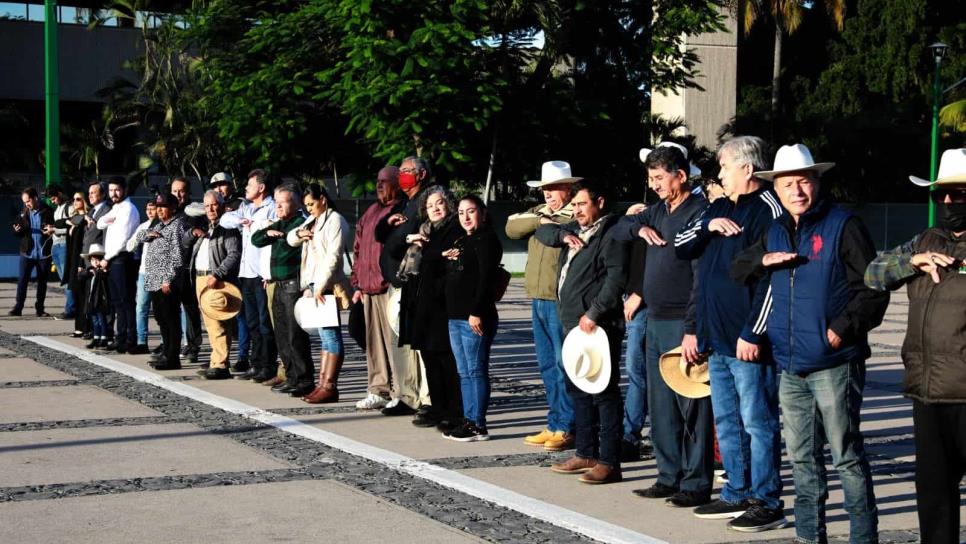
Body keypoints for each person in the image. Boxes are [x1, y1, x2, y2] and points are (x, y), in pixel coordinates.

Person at [733, 143, 888, 544]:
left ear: (817, 182)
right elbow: (737, 267)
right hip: (790, 366)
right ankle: (808, 537)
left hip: (835, 362)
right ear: (777, 189)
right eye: (787, 185)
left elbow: (874, 287)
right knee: (802, 461)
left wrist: (841, 329)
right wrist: (762, 261)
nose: (796, 191)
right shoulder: (775, 229)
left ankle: (862, 538)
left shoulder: (843, 224)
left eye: (804, 182)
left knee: (846, 457)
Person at [673, 136, 786, 531]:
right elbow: (681, 245)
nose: (719, 175)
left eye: (724, 167)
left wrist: (754, 332)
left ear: (748, 169)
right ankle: (735, 490)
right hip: (716, 337)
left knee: (758, 420)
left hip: (746, 339)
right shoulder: (718, 206)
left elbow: (773, 278)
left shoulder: (770, 209)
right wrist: (706, 224)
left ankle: (766, 498)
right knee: (727, 420)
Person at [864, 148, 966, 544]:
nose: (946, 202)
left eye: (957, 194)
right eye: (939, 195)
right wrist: (913, 262)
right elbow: (873, 273)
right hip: (928, 392)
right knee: (934, 498)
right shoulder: (924, 240)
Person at [615, 145, 713, 507]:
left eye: (660, 178)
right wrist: (640, 228)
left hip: (682, 323)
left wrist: (692, 327)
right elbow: (620, 227)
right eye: (651, 178)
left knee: (692, 405)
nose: (654, 185)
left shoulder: (699, 213)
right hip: (654, 319)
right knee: (660, 406)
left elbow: (701, 276)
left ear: (681, 176)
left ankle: (696, 481)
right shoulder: (657, 211)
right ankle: (667, 475)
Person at [537, 180, 630, 484]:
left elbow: (615, 280)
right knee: (578, 388)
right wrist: (563, 233)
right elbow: (543, 230)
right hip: (572, 324)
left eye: (582, 205)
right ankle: (585, 451)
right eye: (573, 205)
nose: (576, 211)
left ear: (600, 202)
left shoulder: (611, 233)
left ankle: (609, 461)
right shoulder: (576, 230)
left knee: (603, 391)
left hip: (597, 325)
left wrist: (594, 313)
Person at [505, 160, 579, 452]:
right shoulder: (540, 214)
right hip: (537, 297)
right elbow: (512, 227)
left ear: (568, 188)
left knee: (564, 365)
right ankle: (555, 421)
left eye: (554, 188)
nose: (548, 194)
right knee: (547, 365)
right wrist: (540, 220)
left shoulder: (574, 213)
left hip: (559, 300)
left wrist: (548, 222)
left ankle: (568, 425)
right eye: (545, 189)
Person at [396, 186, 463, 433]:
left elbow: (443, 257)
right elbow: (391, 244)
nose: (435, 209)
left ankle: (454, 411)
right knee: (430, 358)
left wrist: (431, 253)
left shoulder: (454, 228)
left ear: (449, 206)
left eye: (440, 203)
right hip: (421, 304)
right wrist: (409, 238)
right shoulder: (424, 231)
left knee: (446, 360)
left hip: (442, 305)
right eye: (430, 205)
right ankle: (438, 407)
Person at [442, 195, 504, 441]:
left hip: (475, 317)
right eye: (460, 212)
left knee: (476, 370)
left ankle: (478, 423)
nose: (465, 217)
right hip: (455, 316)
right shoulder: (462, 240)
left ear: (483, 213)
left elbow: (486, 280)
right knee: (464, 371)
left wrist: (477, 312)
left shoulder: (487, 241)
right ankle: (468, 420)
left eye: (471, 211)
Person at [375, 157, 433, 417]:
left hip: (413, 281)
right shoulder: (403, 203)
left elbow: (410, 234)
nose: (403, 176)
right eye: (400, 172)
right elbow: (380, 234)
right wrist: (389, 224)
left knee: (419, 345)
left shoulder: (427, 200)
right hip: (395, 283)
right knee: (400, 345)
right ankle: (406, 396)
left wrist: (400, 234)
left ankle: (428, 398)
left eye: (407, 172)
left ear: (421, 174)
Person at [287, 184, 351, 403]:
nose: (309, 208)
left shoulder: (335, 220)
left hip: (327, 285)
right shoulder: (313, 219)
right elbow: (290, 239)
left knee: (331, 335)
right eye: (306, 205)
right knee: (324, 337)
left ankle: (330, 385)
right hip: (313, 283)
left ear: (323, 199)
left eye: (311, 204)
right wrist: (300, 232)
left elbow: (333, 257)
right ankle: (322, 383)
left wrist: (321, 286)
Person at [251, 185, 316, 398]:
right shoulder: (280, 222)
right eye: (276, 202)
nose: (278, 206)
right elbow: (256, 239)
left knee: (294, 334)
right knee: (281, 333)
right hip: (277, 284)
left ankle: (304, 378)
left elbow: (292, 244)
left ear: (295, 203)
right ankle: (290, 375)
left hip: (292, 283)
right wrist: (268, 232)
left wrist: (279, 237)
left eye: (283, 202)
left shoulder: (301, 222)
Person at [351, 166, 402, 410]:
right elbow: (358, 249)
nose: (379, 185)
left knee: (394, 343)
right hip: (367, 289)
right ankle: (378, 389)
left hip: (388, 287)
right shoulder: (370, 212)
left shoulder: (400, 210)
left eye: (385, 181)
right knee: (374, 345)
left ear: (397, 184)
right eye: (378, 181)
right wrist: (356, 284)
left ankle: (399, 391)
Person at [220, 169, 278, 381]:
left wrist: (258, 224)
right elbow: (224, 219)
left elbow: (277, 227)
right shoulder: (245, 207)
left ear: (261, 188)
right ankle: (256, 363)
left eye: (250, 185)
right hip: (246, 272)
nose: (245, 188)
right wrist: (241, 221)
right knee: (252, 321)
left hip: (262, 272)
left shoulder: (272, 207)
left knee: (265, 323)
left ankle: (268, 364)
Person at [188, 190, 241, 380]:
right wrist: (193, 233)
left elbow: (234, 253)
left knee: (218, 321)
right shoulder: (205, 225)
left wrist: (218, 274)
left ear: (221, 205)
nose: (210, 209)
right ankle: (215, 360)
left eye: (214, 204)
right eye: (207, 205)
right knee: (210, 323)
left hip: (216, 279)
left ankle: (220, 364)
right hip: (200, 277)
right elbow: (187, 242)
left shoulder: (227, 226)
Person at [137, 192, 191, 371]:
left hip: (166, 281)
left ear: (173, 208)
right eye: (158, 207)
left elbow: (178, 256)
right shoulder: (160, 225)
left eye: (163, 207)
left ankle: (172, 356)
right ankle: (166, 352)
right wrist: (148, 233)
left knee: (170, 319)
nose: (160, 210)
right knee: (161, 318)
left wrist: (168, 279)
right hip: (154, 280)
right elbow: (139, 237)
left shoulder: (177, 226)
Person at [97, 177, 141, 353]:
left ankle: (131, 339)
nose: (113, 193)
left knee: (126, 300)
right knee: (116, 302)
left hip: (122, 259)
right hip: (113, 259)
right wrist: (110, 219)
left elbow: (122, 239)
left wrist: (107, 258)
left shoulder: (129, 209)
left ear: (124, 189)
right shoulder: (116, 208)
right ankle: (120, 337)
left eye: (117, 190)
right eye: (110, 190)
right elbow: (100, 222)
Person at [172, 176, 204, 362]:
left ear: (188, 192)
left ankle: (193, 346)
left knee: (190, 310)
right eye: (175, 191)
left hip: (190, 267)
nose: (178, 194)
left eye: (181, 190)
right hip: (171, 267)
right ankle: (172, 344)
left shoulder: (194, 211)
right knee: (170, 310)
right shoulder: (169, 211)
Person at [10, 187, 54, 317]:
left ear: (35, 198)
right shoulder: (23, 213)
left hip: (43, 254)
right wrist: (16, 230)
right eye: (24, 202)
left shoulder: (48, 211)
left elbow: (54, 229)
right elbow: (16, 230)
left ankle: (40, 309)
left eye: (28, 201)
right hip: (27, 253)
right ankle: (18, 308)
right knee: (22, 280)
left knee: (42, 282)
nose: (26, 204)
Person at [125, 200, 158, 354]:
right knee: (141, 307)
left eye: (153, 208)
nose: (150, 211)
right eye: (148, 209)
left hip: (159, 271)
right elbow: (129, 245)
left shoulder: (163, 224)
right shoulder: (143, 226)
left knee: (160, 310)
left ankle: (165, 341)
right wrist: (143, 236)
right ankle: (141, 341)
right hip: (144, 271)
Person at [61, 192, 89, 337]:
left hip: (81, 260)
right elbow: (58, 223)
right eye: (73, 199)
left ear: (84, 201)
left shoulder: (86, 219)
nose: (75, 201)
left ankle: (87, 328)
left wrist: (81, 263)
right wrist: (69, 223)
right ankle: (79, 328)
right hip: (72, 261)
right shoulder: (73, 218)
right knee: (76, 295)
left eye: (78, 199)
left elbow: (85, 243)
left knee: (84, 296)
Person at [46, 185, 76, 319]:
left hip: (65, 245)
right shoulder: (57, 209)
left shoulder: (70, 208)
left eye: (53, 198)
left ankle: (71, 309)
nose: (52, 201)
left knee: (68, 279)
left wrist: (55, 230)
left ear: (59, 193)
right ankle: (71, 307)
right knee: (63, 281)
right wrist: (51, 230)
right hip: (56, 245)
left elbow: (73, 229)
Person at [79, 244, 111, 349]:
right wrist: (88, 271)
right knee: (95, 320)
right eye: (93, 260)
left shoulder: (103, 271)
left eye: (97, 260)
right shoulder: (89, 271)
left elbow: (105, 279)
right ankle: (96, 338)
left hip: (100, 300)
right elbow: (80, 276)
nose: (95, 262)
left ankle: (104, 338)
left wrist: (100, 271)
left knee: (102, 320)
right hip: (91, 300)